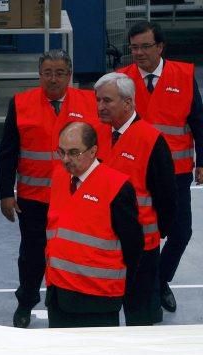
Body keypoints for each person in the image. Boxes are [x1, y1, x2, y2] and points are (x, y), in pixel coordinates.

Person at [0, 50, 99, 329]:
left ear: (70, 75)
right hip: (34, 199)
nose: (53, 79)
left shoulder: (89, 102)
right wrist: (5, 193)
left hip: (76, 197)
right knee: (32, 255)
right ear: (39, 74)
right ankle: (25, 302)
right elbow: (8, 151)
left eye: (60, 73)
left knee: (73, 252)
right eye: (48, 73)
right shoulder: (21, 103)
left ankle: (69, 302)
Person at [118, 21, 203, 314]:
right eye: (134, 47)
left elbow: (198, 123)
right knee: (136, 236)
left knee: (180, 233)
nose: (138, 53)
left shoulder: (184, 75)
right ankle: (136, 287)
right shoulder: (120, 79)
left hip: (177, 173)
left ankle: (160, 280)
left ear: (160, 47)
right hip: (132, 174)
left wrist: (202, 161)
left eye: (145, 46)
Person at [94, 72, 176, 326]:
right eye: (98, 100)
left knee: (141, 314)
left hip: (142, 245)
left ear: (128, 103)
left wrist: (159, 231)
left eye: (107, 101)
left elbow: (166, 196)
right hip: (104, 243)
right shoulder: (95, 135)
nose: (100, 106)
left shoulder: (151, 140)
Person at [45, 122, 143, 328]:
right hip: (59, 296)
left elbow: (133, 246)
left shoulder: (117, 187)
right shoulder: (59, 177)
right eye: (61, 152)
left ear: (93, 151)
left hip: (98, 300)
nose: (65, 159)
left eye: (73, 153)